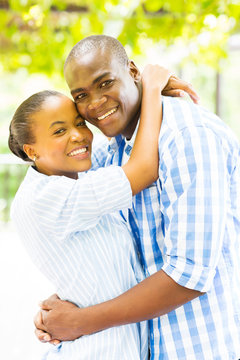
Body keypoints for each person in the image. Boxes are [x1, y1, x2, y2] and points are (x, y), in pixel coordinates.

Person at [34, 35, 240, 359]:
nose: (96, 103)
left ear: (132, 71)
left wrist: (79, 322)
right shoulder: (110, 155)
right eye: (81, 96)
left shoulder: (187, 137)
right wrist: (60, 311)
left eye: (105, 83)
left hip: (197, 348)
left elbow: (189, 275)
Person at [9, 66, 180, 359]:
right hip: (97, 350)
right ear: (32, 151)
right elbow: (143, 169)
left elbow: (121, 145)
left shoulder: (77, 178)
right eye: (60, 131)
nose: (78, 136)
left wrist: (132, 93)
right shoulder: (47, 197)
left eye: (79, 123)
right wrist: (150, 88)